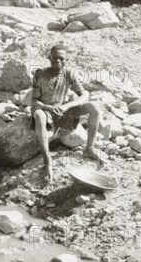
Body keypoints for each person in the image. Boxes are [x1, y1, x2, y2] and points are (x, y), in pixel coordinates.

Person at [31, 45, 105, 183]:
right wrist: (47, 107)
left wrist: (67, 106)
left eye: (61, 59)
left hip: (62, 109)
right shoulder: (40, 75)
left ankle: (89, 148)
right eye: (54, 58)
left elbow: (84, 94)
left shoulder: (69, 73)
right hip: (45, 110)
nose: (57, 61)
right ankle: (48, 162)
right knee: (39, 116)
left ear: (66, 60)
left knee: (94, 107)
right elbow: (34, 101)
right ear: (49, 58)